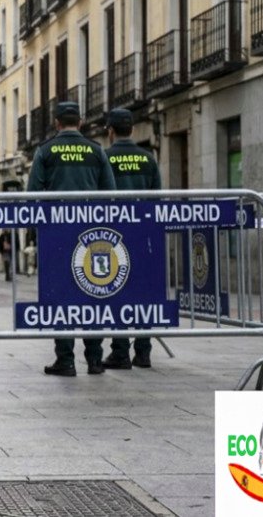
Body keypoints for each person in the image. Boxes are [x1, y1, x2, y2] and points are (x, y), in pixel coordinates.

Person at [27, 101, 116, 378]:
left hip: (55, 236)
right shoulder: (96, 151)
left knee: (59, 297)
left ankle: (65, 360)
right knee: (93, 293)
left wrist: (34, 232)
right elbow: (111, 194)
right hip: (93, 237)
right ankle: (95, 360)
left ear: (56, 123)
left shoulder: (45, 151)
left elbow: (33, 194)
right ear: (81, 122)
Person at [100, 108, 162, 370]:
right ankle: (144, 352)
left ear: (110, 131)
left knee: (118, 292)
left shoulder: (105, 157)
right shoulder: (148, 159)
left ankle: (120, 351)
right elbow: (157, 198)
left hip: (115, 238)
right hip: (145, 236)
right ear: (133, 130)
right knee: (144, 293)